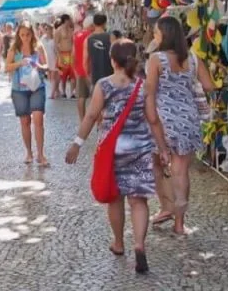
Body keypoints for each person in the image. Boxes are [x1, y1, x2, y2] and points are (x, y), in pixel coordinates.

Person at [65, 39, 169, 274]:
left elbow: (91, 116)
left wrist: (77, 144)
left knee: (115, 198)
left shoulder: (104, 85)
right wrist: (162, 148)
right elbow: (153, 119)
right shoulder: (142, 86)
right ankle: (140, 246)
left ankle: (119, 243)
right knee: (138, 199)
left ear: (113, 61)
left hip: (114, 149)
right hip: (140, 147)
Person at [146, 16, 215, 235]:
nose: (154, 36)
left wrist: (149, 116)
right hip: (188, 119)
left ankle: (166, 207)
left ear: (164, 35)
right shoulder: (193, 58)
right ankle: (179, 223)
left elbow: (150, 91)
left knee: (156, 164)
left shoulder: (156, 59)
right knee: (181, 171)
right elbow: (209, 86)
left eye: (156, 32)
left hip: (163, 121)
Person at [6, 23, 49, 166]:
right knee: (25, 121)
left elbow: (46, 65)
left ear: (32, 34)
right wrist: (19, 63)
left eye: (28, 35)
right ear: (18, 35)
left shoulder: (38, 47)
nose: (25, 38)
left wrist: (39, 66)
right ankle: (29, 153)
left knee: (38, 119)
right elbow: (7, 67)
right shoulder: (14, 49)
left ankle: (41, 154)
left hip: (37, 87)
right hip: (19, 89)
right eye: (22, 35)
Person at [73, 17, 93, 121]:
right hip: (89, 69)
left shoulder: (77, 35)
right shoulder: (91, 36)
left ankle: (82, 120)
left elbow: (73, 53)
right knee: (95, 96)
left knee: (81, 97)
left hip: (79, 69)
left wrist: (75, 67)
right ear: (91, 26)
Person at [86, 14, 114, 87]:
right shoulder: (111, 37)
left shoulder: (88, 39)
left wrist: (88, 74)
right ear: (104, 23)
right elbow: (115, 56)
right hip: (109, 73)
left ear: (94, 23)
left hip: (95, 74)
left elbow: (85, 59)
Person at [54, 14, 76, 99]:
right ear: (66, 20)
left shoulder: (71, 29)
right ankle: (63, 91)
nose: (71, 20)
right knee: (63, 74)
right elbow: (56, 44)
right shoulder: (58, 30)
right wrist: (59, 55)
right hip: (63, 54)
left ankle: (73, 92)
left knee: (72, 73)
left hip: (71, 54)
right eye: (69, 19)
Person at [40, 24, 60, 100]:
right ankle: (57, 91)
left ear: (52, 30)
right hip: (46, 60)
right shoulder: (43, 39)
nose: (47, 30)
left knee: (53, 77)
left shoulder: (54, 39)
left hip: (54, 59)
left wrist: (59, 59)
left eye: (48, 29)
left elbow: (57, 51)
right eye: (46, 29)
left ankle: (52, 94)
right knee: (50, 77)